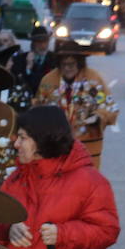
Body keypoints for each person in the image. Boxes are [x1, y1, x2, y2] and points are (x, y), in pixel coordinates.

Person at [0, 105, 119, 249]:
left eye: (23, 138)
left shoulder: (91, 182)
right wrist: (8, 228)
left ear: (42, 139)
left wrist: (64, 233)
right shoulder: (16, 178)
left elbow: (107, 230)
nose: (16, 144)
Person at [32, 40, 118, 170]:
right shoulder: (48, 81)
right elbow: (37, 109)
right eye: (63, 64)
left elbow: (110, 107)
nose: (67, 68)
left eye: (71, 64)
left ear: (79, 63)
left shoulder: (94, 79)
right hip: (56, 148)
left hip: (86, 147)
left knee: (84, 186)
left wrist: (98, 118)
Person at [7, 27, 57, 112]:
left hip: (48, 101)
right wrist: (28, 68)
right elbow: (18, 81)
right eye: (39, 42)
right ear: (33, 43)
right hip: (26, 104)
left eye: (45, 41)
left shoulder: (54, 59)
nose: (42, 45)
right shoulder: (20, 59)